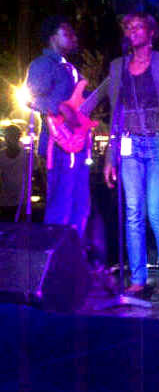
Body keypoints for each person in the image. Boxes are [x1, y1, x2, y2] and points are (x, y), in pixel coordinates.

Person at [104, 12, 159, 299]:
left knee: (155, 210)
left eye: (139, 27)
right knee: (133, 213)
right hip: (130, 146)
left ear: (151, 32)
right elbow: (115, 114)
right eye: (129, 27)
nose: (133, 31)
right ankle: (138, 278)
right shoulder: (118, 67)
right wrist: (110, 157)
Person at [26, 15, 91, 236]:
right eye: (67, 33)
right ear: (53, 37)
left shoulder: (70, 68)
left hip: (77, 143)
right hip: (58, 144)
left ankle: (74, 251)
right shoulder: (42, 64)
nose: (74, 37)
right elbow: (31, 98)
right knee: (60, 205)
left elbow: (78, 103)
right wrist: (60, 108)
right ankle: (55, 252)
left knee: (80, 204)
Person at [0, 125, 26, 221]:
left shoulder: (27, 155)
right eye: (9, 136)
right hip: (7, 200)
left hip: (21, 200)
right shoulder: (27, 154)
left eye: (13, 136)